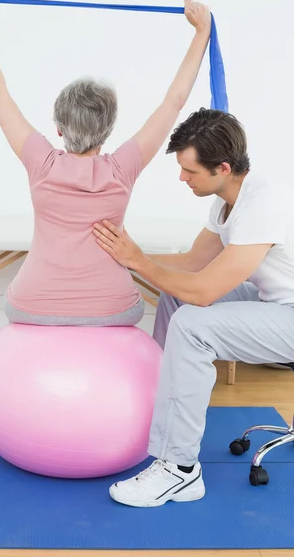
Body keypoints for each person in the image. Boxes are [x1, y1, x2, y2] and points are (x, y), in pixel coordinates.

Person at [0, 0, 211, 326]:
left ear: (59, 129)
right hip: (112, 307)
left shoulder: (41, 160)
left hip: (32, 303)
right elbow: (175, 101)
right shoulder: (123, 167)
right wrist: (202, 32)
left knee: (13, 299)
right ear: (108, 130)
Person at [93, 107, 294, 507]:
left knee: (192, 322)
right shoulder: (227, 200)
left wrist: (138, 262)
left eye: (189, 171)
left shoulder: (262, 205)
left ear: (221, 167)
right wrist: (129, 253)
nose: (181, 177)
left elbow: (203, 292)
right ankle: (158, 410)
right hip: (277, 303)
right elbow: (190, 266)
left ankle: (178, 469)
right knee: (176, 295)